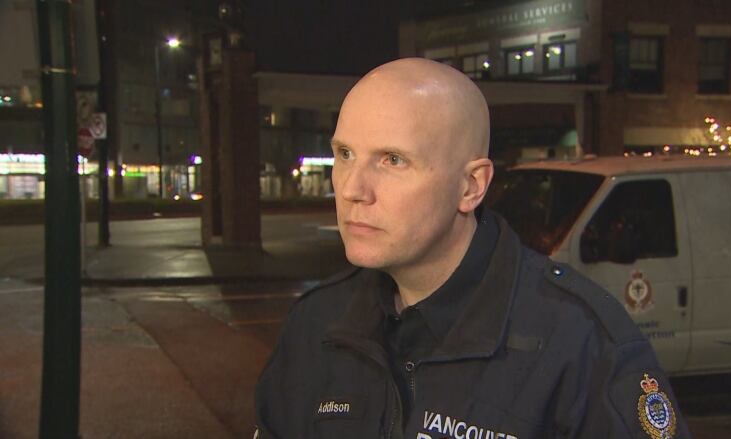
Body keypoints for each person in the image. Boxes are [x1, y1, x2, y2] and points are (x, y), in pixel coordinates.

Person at [254, 58, 690, 439]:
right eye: (345, 153)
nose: (352, 189)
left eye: (392, 160)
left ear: (471, 186)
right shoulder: (316, 325)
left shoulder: (580, 343)